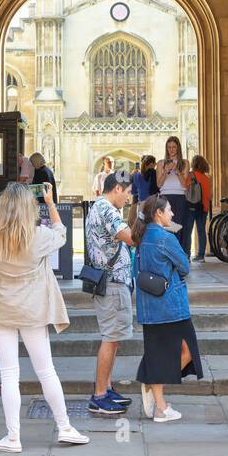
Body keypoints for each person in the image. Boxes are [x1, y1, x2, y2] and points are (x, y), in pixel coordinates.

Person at [0, 181, 89, 450]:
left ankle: (13, 437)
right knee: (46, 371)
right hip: (32, 310)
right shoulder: (37, 236)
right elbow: (62, 233)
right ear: (29, 208)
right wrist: (50, 202)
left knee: (8, 374)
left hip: (1, 310)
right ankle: (64, 426)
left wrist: (6, 202)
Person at [132, 194, 203, 422]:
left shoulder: (141, 237)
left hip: (149, 306)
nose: (173, 213)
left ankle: (158, 397)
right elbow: (184, 266)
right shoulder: (165, 238)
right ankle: (156, 396)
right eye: (169, 210)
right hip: (171, 305)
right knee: (188, 349)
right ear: (159, 213)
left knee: (157, 353)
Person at [84, 171, 135, 415]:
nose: (129, 197)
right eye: (128, 192)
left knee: (113, 338)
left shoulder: (100, 207)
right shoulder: (107, 209)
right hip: (113, 284)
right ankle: (100, 395)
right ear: (117, 189)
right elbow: (131, 237)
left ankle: (107, 387)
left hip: (113, 282)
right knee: (110, 338)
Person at [156, 136, 190, 252]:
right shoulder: (161, 163)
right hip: (165, 197)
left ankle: (178, 253)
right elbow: (159, 184)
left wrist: (176, 170)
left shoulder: (184, 163)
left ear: (178, 148)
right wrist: (165, 171)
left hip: (180, 197)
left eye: (174, 147)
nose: (171, 150)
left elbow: (185, 185)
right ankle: (166, 252)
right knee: (166, 226)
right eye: (169, 147)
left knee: (178, 226)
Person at [186, 154, 212, 262]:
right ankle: (201, 255)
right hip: (203, 208)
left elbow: (185, 188)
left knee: (188, 231)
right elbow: (209, 195)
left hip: (191, 206)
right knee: (201, 231)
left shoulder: (190, 175)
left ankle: (187, 255)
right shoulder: (206, 178)